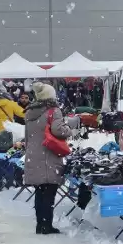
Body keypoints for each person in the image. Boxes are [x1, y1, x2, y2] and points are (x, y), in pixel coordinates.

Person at [24, 82, 78, 234]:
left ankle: (40, 224)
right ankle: (47, 225)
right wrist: (70, 129)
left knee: (40, 192)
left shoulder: (29, 112)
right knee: (49, 191)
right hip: (48, 155)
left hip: (33, 155)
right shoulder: (53, 111)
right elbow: (58, 130)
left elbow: (27, 137)